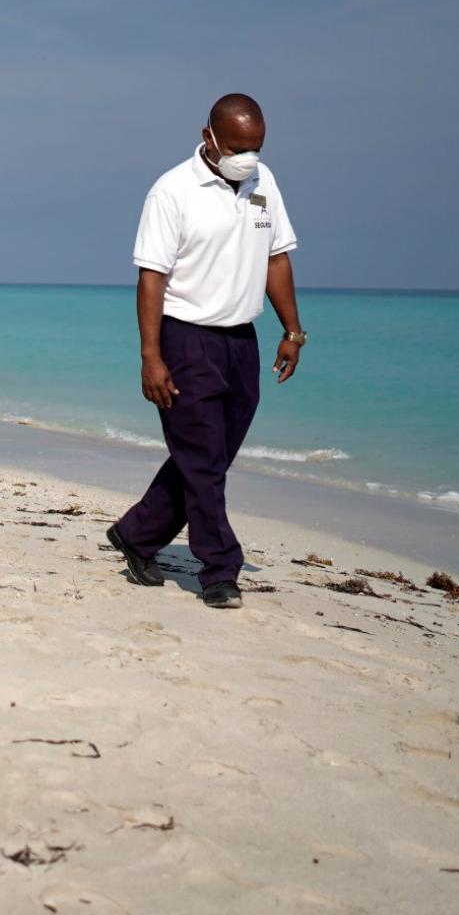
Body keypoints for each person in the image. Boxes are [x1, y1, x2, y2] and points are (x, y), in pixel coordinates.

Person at [107, 93, 305, 609]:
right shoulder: (172, 191)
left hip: (241, 340)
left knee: (208, 458)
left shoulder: (265, 183)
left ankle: (137, 534)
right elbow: (151, 278)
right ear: (209, 138)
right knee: (203, 459)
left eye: (257, 147)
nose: (248, 157)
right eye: (238, 147)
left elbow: (277, 259)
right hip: (186, 338)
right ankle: (220, 568)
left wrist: (293, 329)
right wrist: (151, 356)